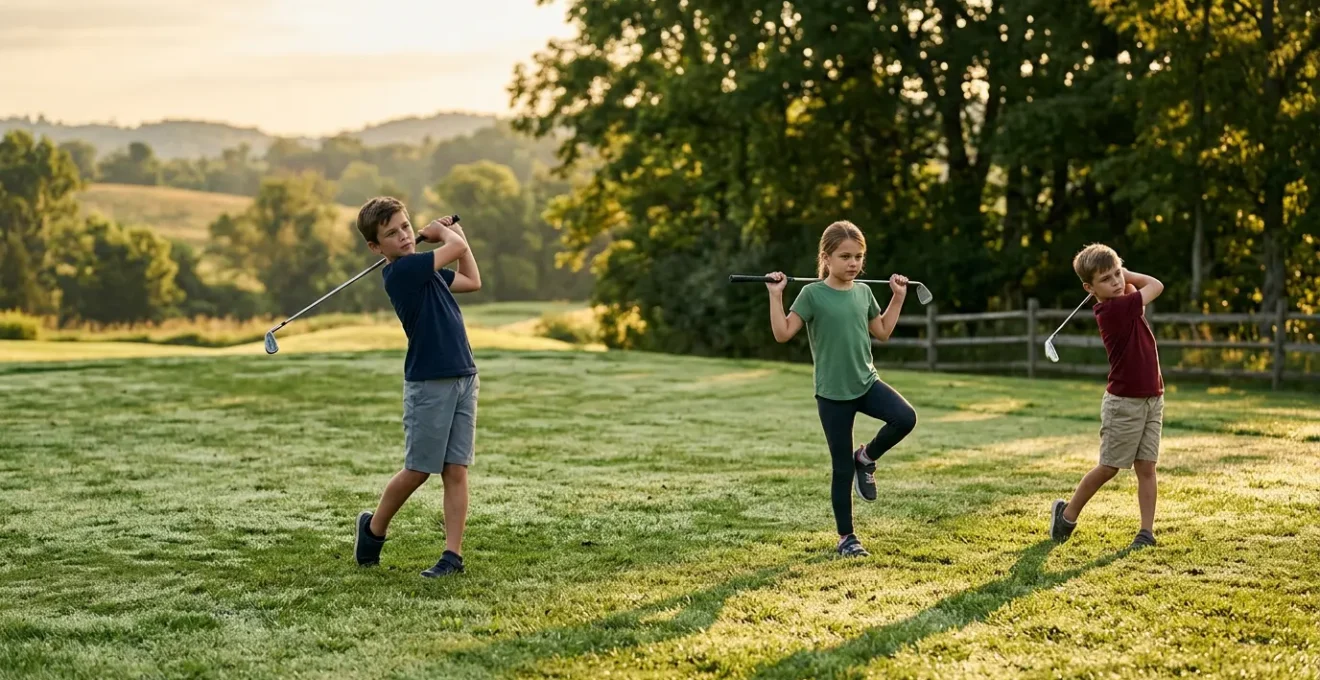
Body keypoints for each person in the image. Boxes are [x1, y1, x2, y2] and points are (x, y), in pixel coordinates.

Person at [765, 220, 918, 558]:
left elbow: (882, 331)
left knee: (905, 418)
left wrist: (898, 298)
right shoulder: (812, 294)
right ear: (827, 257)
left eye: (858, 257)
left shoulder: (864, 292)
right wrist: (776, 296)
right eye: (845, 256)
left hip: (866, 383)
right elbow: (783, 333)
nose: (853, 263)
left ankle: (867, 457)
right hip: (832, 394)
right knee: (840, 468)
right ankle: (847, 537)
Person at [350, 196, 483, 577]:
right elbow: (453, 249)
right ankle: (373, 530)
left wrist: (454, 234)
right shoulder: (403, 273)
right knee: (418, 470)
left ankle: (451, 557)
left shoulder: (425, 270)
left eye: (406, 227)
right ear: (376, 247)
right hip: (429, 383)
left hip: (463, 375)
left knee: (456, 469)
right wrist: (443, 234)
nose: (405, 237)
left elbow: (473, 281)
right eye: (392, 234)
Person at [1049, 243, 1165, 549]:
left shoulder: (1121, 301)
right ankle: (1067, 515)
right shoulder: (1114, 309)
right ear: (1090, 288)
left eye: (1116, 273)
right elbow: (1155, 285)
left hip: (1152, 396)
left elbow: (1130, 289)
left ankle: (1146, 533)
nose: (1116, 281)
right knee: (1109, 467)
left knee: (1147, 467)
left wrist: (1120, 277)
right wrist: (1127, 274)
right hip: (1124, 403)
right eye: (1107, 278)